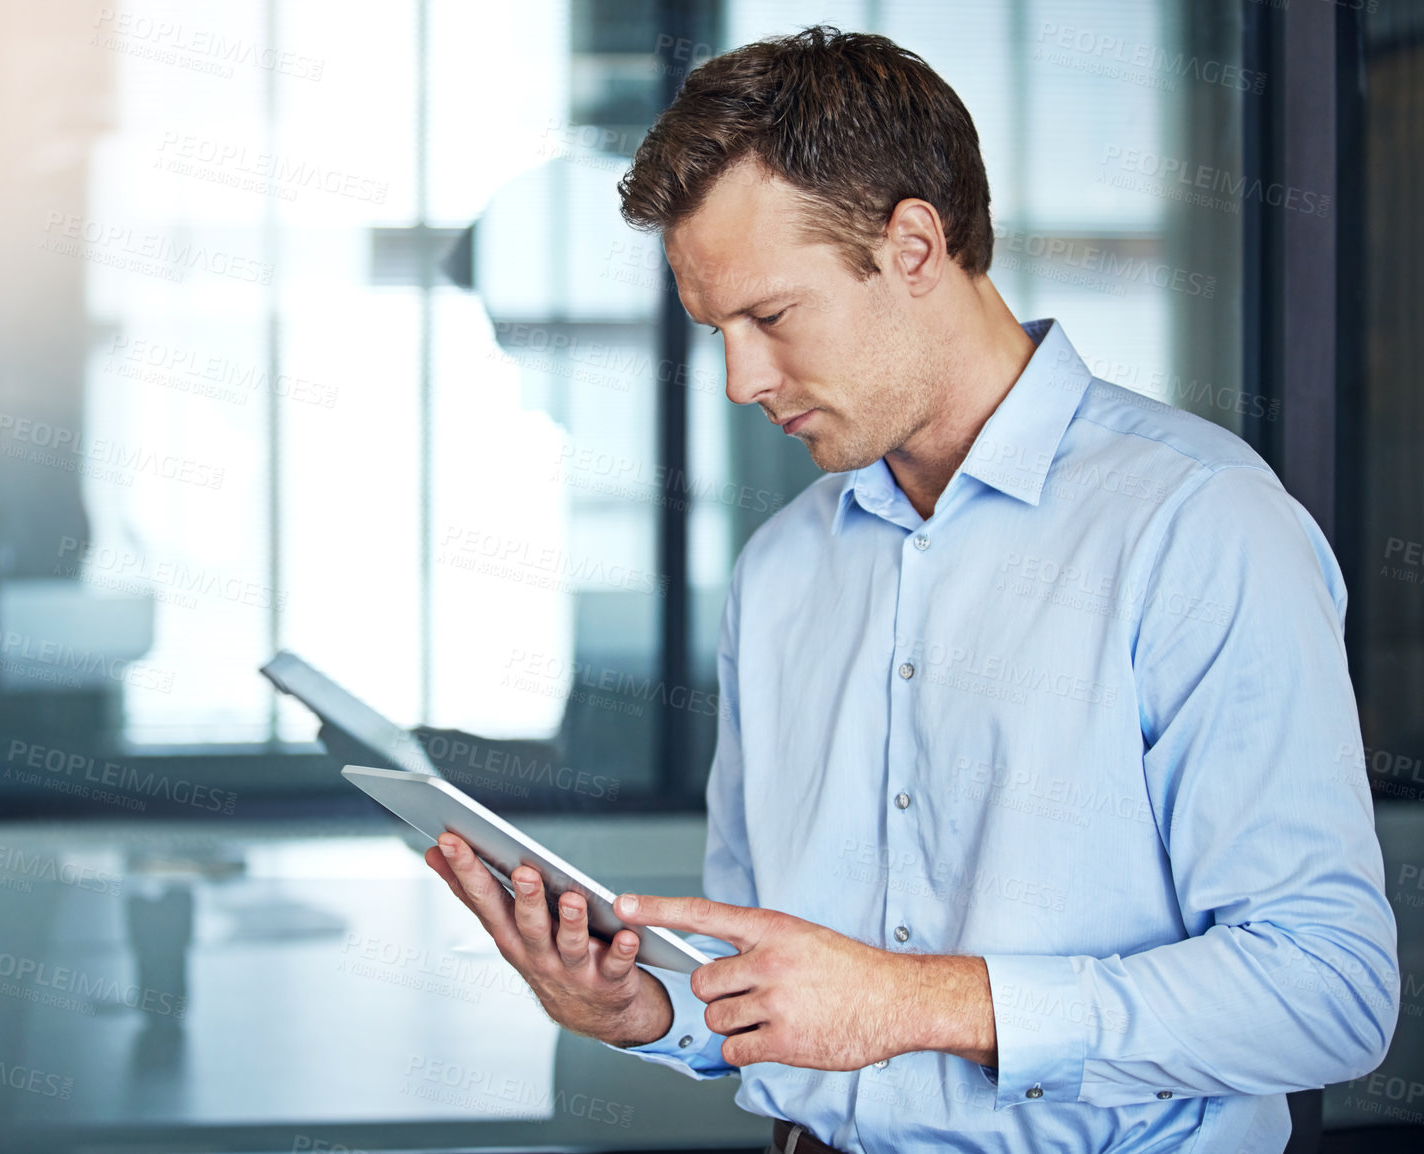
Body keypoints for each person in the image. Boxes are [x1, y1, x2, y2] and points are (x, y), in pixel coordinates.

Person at [424, 26, 1398, 1153]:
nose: (741, 380)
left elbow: (1327, 991)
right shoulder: (783, 567)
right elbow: (775, 981)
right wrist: (640, 1008)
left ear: (915, 246)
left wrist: (915, 1000)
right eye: (716, 332)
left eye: (772, 317)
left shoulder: (1199, 526)